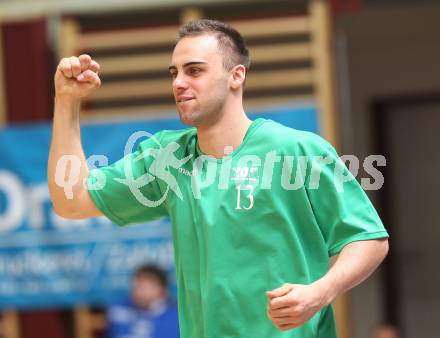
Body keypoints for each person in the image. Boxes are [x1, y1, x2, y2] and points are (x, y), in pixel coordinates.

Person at [48, 19, 389, 337]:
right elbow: (71, 200)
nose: (179, 83)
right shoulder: (166, 158)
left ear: (236, 76)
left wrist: (320, 292)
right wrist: (66, 102)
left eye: (194, 70)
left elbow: (369, 240)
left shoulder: (297, 150)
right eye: (174, 72)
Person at [106, 265, 179, 338]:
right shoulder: (117, 309)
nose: (139, 292)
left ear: (164, 290)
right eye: (136, 286)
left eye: (146, 287)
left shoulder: (176, 317)